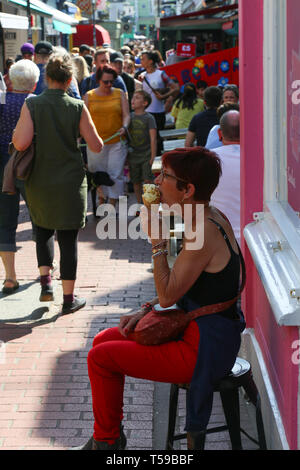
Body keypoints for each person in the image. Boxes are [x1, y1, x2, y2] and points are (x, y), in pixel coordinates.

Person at [73, 146, 245, 450]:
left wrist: (157, 244)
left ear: (187, 189)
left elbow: (169, 295)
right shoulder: (204, 214)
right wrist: (146, 309)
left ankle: (106, 441)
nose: (156, 180)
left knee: (100, 357)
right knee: (102, 340)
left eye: (165, 175)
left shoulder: (203, 228)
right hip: (201, 329)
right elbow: (181, 288)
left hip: (205, 348)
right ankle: (109, 434)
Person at [12, 51, 103, 314]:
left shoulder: (32, 105)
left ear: (46, 77)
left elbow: (20, 143)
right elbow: (96, 146)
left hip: (39, 179)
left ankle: (45, 283)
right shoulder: (77, 106)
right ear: (69, 79)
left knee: (42, 230)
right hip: (70, 182)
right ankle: (68, 299)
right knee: (68, 239)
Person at [0, 59, 40, 294]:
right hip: (30, 165)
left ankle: (10, 277)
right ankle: (45, 268)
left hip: (2, 165)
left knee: (5, 221)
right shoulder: (35, 103)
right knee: (40, 217)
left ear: (11, 80)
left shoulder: (2, 101)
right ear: (34, 83)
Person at [84, 64, 130, 209]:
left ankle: (112, 204)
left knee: (115, 174)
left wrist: (124, 127)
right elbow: (83, 119)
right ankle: (102, 200)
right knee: (98, 174)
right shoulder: (89, 96)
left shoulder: (120, 94)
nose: (109, 85)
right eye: (106, 82)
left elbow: (127, 115)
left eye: (112, 81)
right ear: (98, 80)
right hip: (95, 143)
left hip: (117, 141)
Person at [210, 110, 240, 243]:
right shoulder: (262, 158)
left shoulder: (206, 160)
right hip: (256, 239)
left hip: (217, 241)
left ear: (219, 134)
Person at [141, 50, 179, 154]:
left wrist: (163, 96)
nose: (141, 61)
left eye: (143, 59)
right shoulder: (142, 75)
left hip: (158, 113)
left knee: (157, 140)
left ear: (150, 61)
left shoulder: (161, 74)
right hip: (145, 113)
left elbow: (175, 87)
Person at [127, 90, 157, 210]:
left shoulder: (149, 118)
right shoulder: (129, 116)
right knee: (135, 181)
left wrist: (153, 156)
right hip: (133, 154)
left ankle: (150, 205)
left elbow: (153, 138)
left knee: (148, 180)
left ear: (144, 103)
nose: (133, 100)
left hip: (146, 154)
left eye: (137, 98)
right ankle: (140, 204)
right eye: (133, 97)